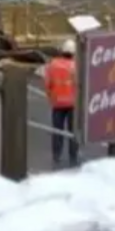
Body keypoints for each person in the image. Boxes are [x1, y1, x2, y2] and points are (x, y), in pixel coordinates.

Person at [43, 39, 81, 167]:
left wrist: (51, 98)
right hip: (73, 104)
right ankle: (73, 156)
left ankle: (56, 155)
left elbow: (47, 84)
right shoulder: (76, 66)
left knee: (57, 131)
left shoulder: (52, 65)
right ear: (74, 53)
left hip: (57, 104)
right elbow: (80, 86)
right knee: (73, 132)